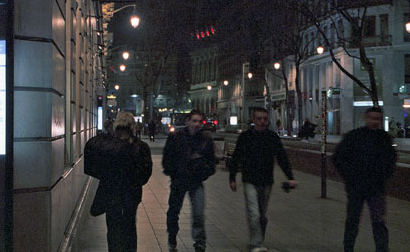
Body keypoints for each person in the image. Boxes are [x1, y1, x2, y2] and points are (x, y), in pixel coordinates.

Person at [228, 108, 297, 252]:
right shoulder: (245, 137)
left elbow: (281, 157)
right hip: (249, 180)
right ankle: (256, 243)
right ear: (253, 120)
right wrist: (232, 177)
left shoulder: (272, 137)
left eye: (265, 119)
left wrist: (290, 177)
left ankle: (259, 236)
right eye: (259, 118)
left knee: (261, 214)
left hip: (266, 181)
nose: (262, 121)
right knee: (254, 213)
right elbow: (236, 157)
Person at [84, 111, 153, 252]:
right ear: (132, 126)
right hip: (131, 194)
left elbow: (94, 166)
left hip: (110, 192)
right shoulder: (140, 147)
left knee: (113, 227)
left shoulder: (106, 145)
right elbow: (146, 173)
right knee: (129, 226)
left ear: (116, 125)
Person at [332, 107, 397, 252]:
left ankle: (381, 248)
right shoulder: (355, 136)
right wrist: (350, 177)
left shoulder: (384, 138)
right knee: (354, 219)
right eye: (372, 118)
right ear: (366, 118)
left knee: (378, 220)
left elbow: (391, 160)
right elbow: (338, 157)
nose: (375, 122)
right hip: (357, 186)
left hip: (375, 187)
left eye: (377, 119)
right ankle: (348, 248)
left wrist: (384, 175)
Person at [162, 109, 216, 252]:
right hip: (179, 180)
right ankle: (172, 236)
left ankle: (199, 241)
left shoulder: (205, 139)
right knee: (173, 211)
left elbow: (211, 162)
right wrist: (173, 172)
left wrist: (204, 172)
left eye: (200, 121)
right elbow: (167, 158)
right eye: (194, 121)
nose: (197, 124)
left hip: (196, 181)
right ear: (187, 121)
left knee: (198, 213)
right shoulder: (176, 137)